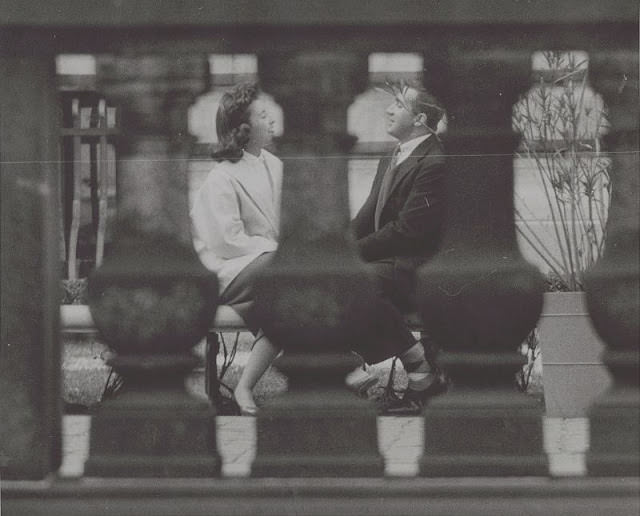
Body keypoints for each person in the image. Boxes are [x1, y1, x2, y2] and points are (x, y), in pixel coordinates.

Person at [351, 81, 448, 415]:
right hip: (392, 260)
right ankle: (360, 369)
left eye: (398, 106)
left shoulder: (435, 161)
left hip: (419, 265)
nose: (388, 110)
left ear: (420, 118)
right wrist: (334, 249)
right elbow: (366, 216)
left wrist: (353, 255)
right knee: (336, 278)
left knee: (359, 282)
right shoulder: (392, 154)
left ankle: (419, 369)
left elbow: (407, 231)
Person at [191, 83, 282, 416]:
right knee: (291, 275)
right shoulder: (222, 178)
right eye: (261, 114)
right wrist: (275, 249)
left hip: (265, 269)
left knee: (286, 305)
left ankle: (244, 388)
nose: (271, 119)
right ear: (243, 129)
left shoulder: (274, 166)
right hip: (227, 268)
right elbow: (226, 240)